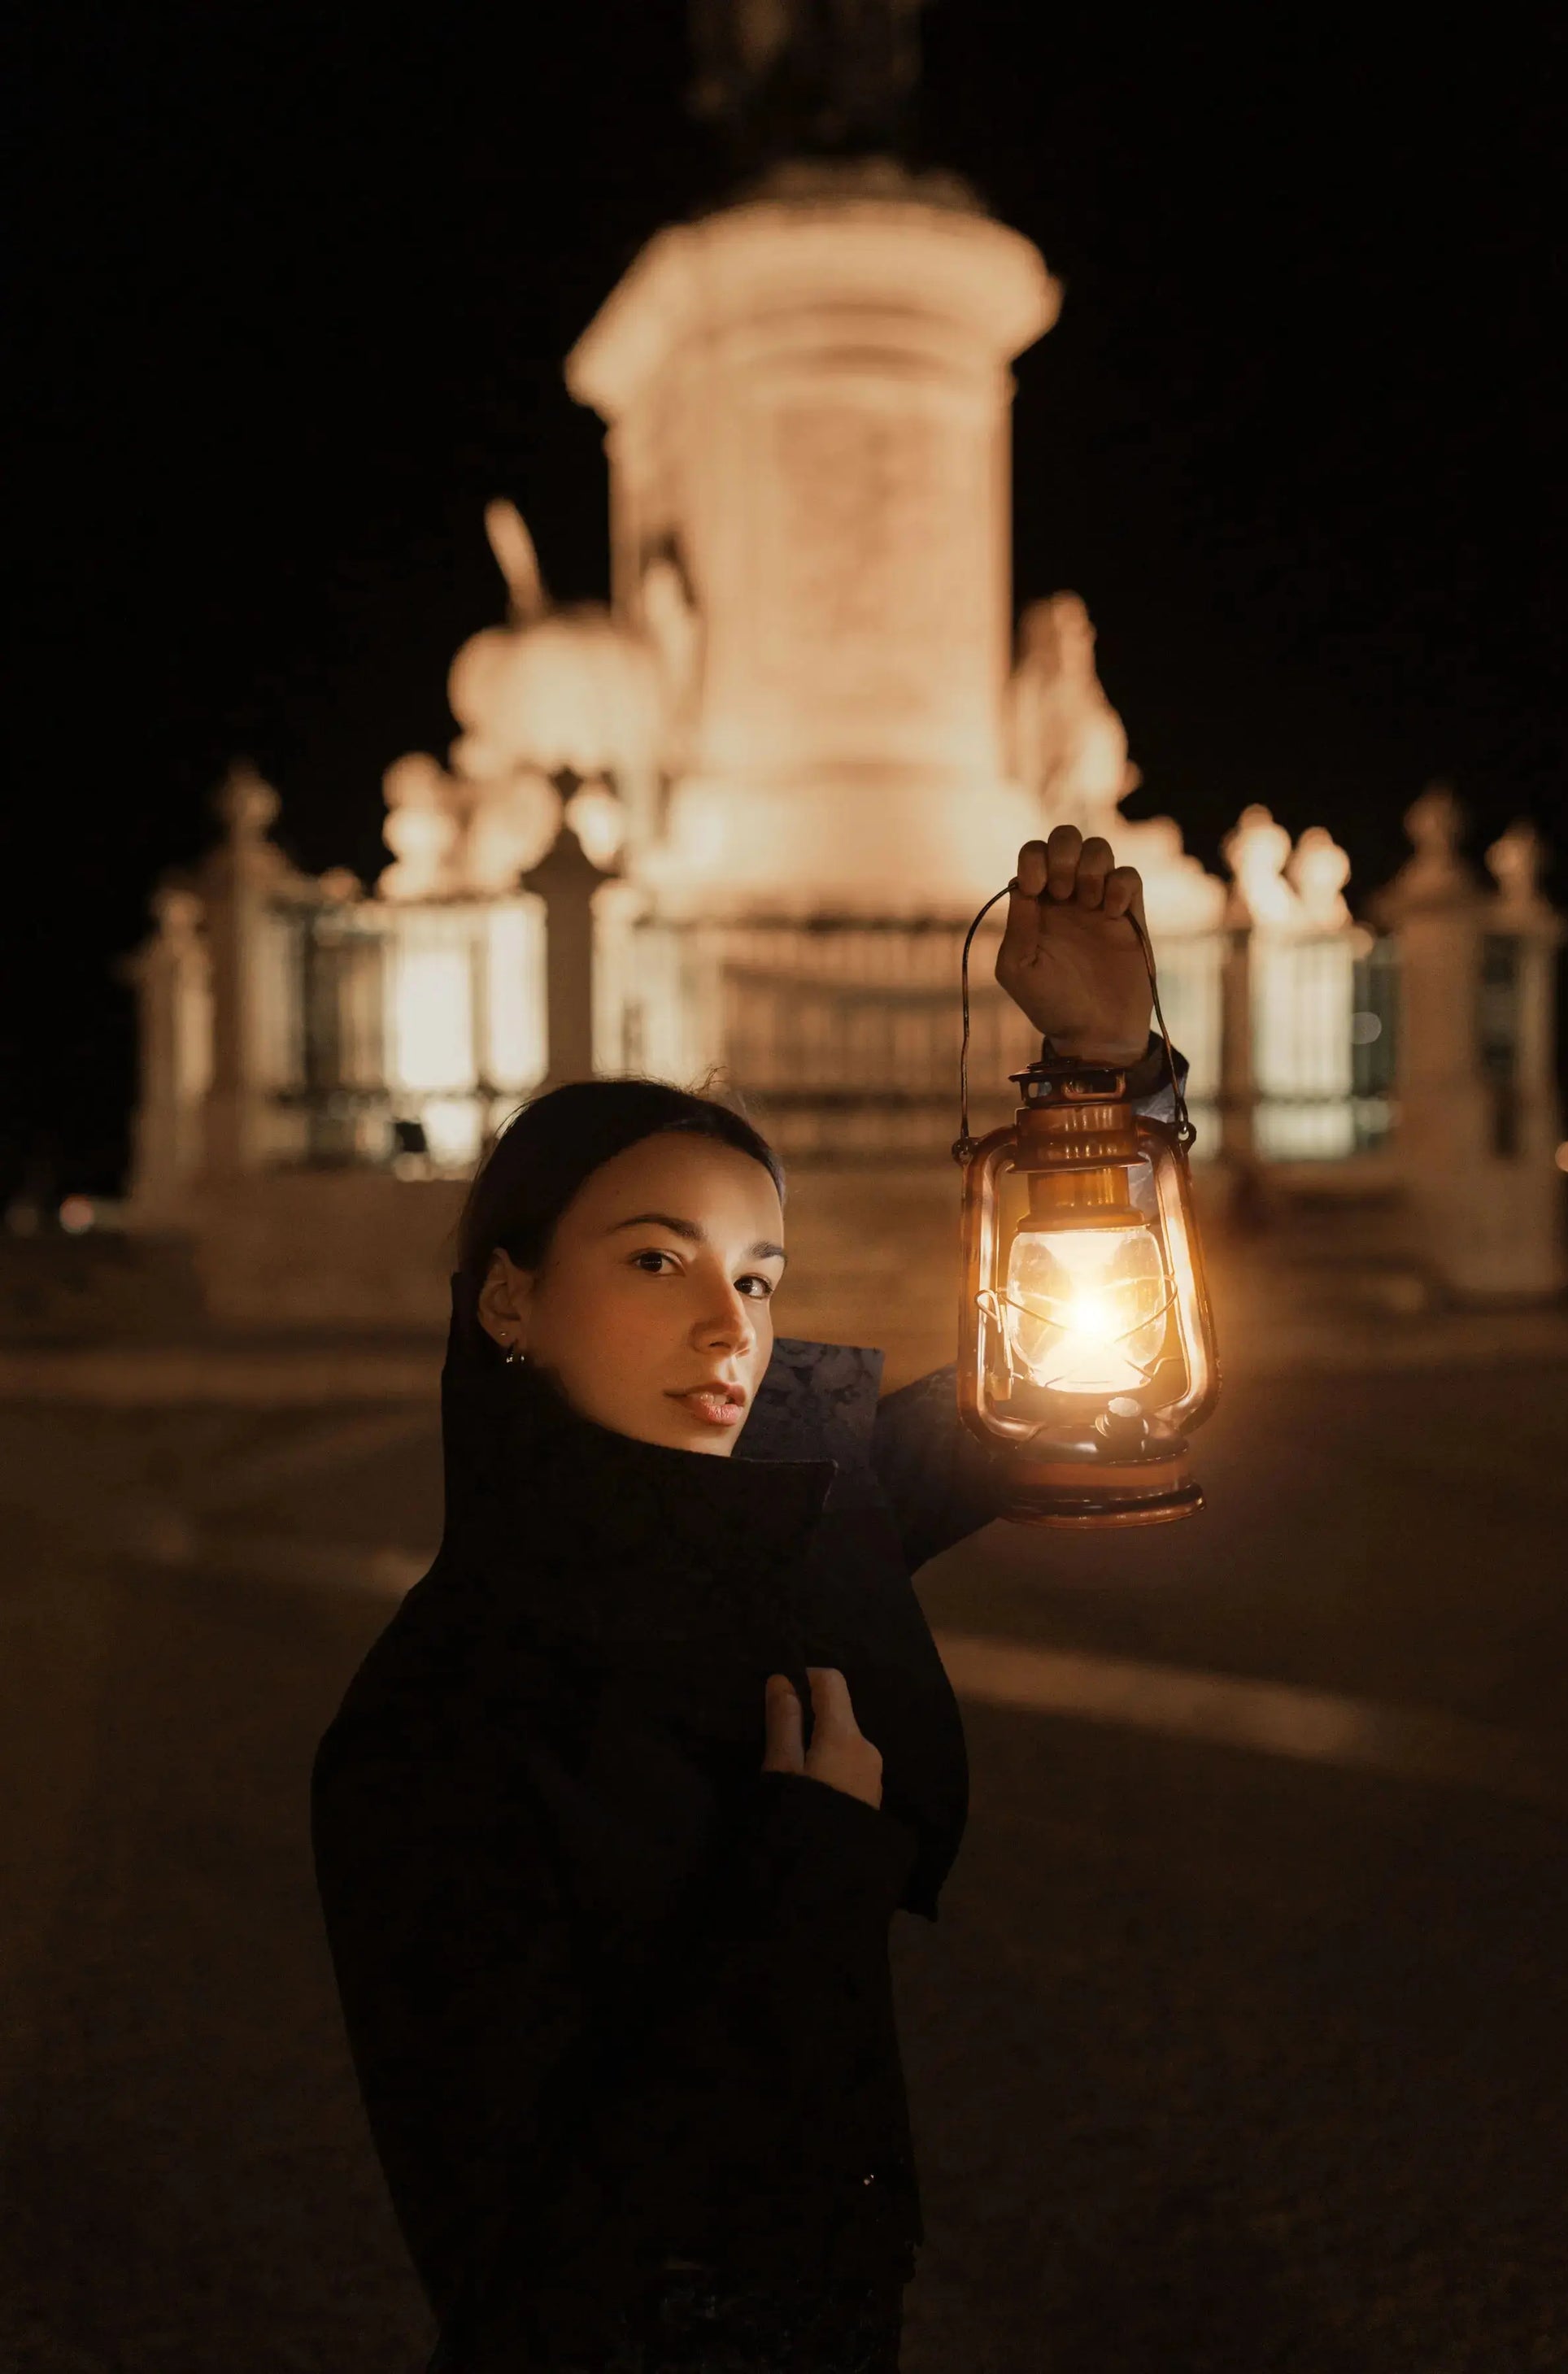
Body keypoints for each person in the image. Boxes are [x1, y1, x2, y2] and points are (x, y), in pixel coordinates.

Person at [310, 831, 1185, 2372]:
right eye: (658, 1260)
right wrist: (806, 1859)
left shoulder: (796, 1515)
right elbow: (538, 2246)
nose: (731, 1327)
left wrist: (1102, 1068)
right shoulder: (429, 1717)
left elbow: (1068, 1396)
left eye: (762, 1275)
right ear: (506, 1296)